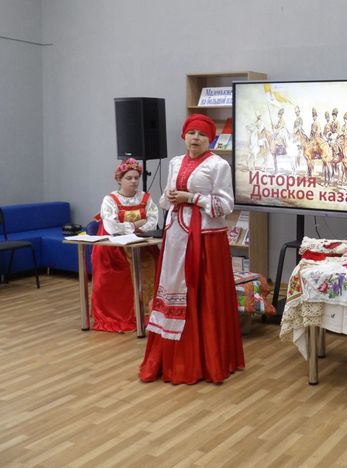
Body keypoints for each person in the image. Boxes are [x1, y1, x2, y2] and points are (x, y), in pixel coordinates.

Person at [139, 114, 244, 384]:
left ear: (210, 139)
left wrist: (192, 198)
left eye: (202, 134)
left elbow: (226, 205)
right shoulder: (175, 162)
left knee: (203, 291)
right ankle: (169, 357)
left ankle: (205, 361)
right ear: (184, 136)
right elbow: (165, 200)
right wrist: (169, 197)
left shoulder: (219, 165)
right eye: (191, 133)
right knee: (174, 287)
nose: (195, 138)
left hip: (206, 239)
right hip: (176, 236)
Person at [90, 158, 159, 332]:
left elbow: (152, 220)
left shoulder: (145, 198)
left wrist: (133, 227)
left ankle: (147, 313)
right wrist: (135, 225)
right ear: (119, 179)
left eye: (136, 177)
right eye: (129, 178)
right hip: (114, 247)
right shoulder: (110, 200)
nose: (134, 181)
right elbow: (112, 227)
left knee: (151, 265)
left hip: (141, 243)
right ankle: (123, 314)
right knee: (118, 275)